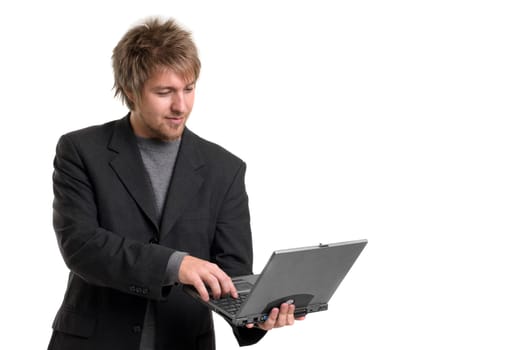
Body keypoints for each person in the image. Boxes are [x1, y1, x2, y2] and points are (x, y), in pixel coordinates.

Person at [48, 17, 302, 350]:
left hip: (184, 341)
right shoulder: (81, 150)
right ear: (130, 91)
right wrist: (175, 264)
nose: (181, 106)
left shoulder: (224, 169)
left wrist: (256, 317)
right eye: (164, 92)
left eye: (189, 88)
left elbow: (233, 275)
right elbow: (81, 246)